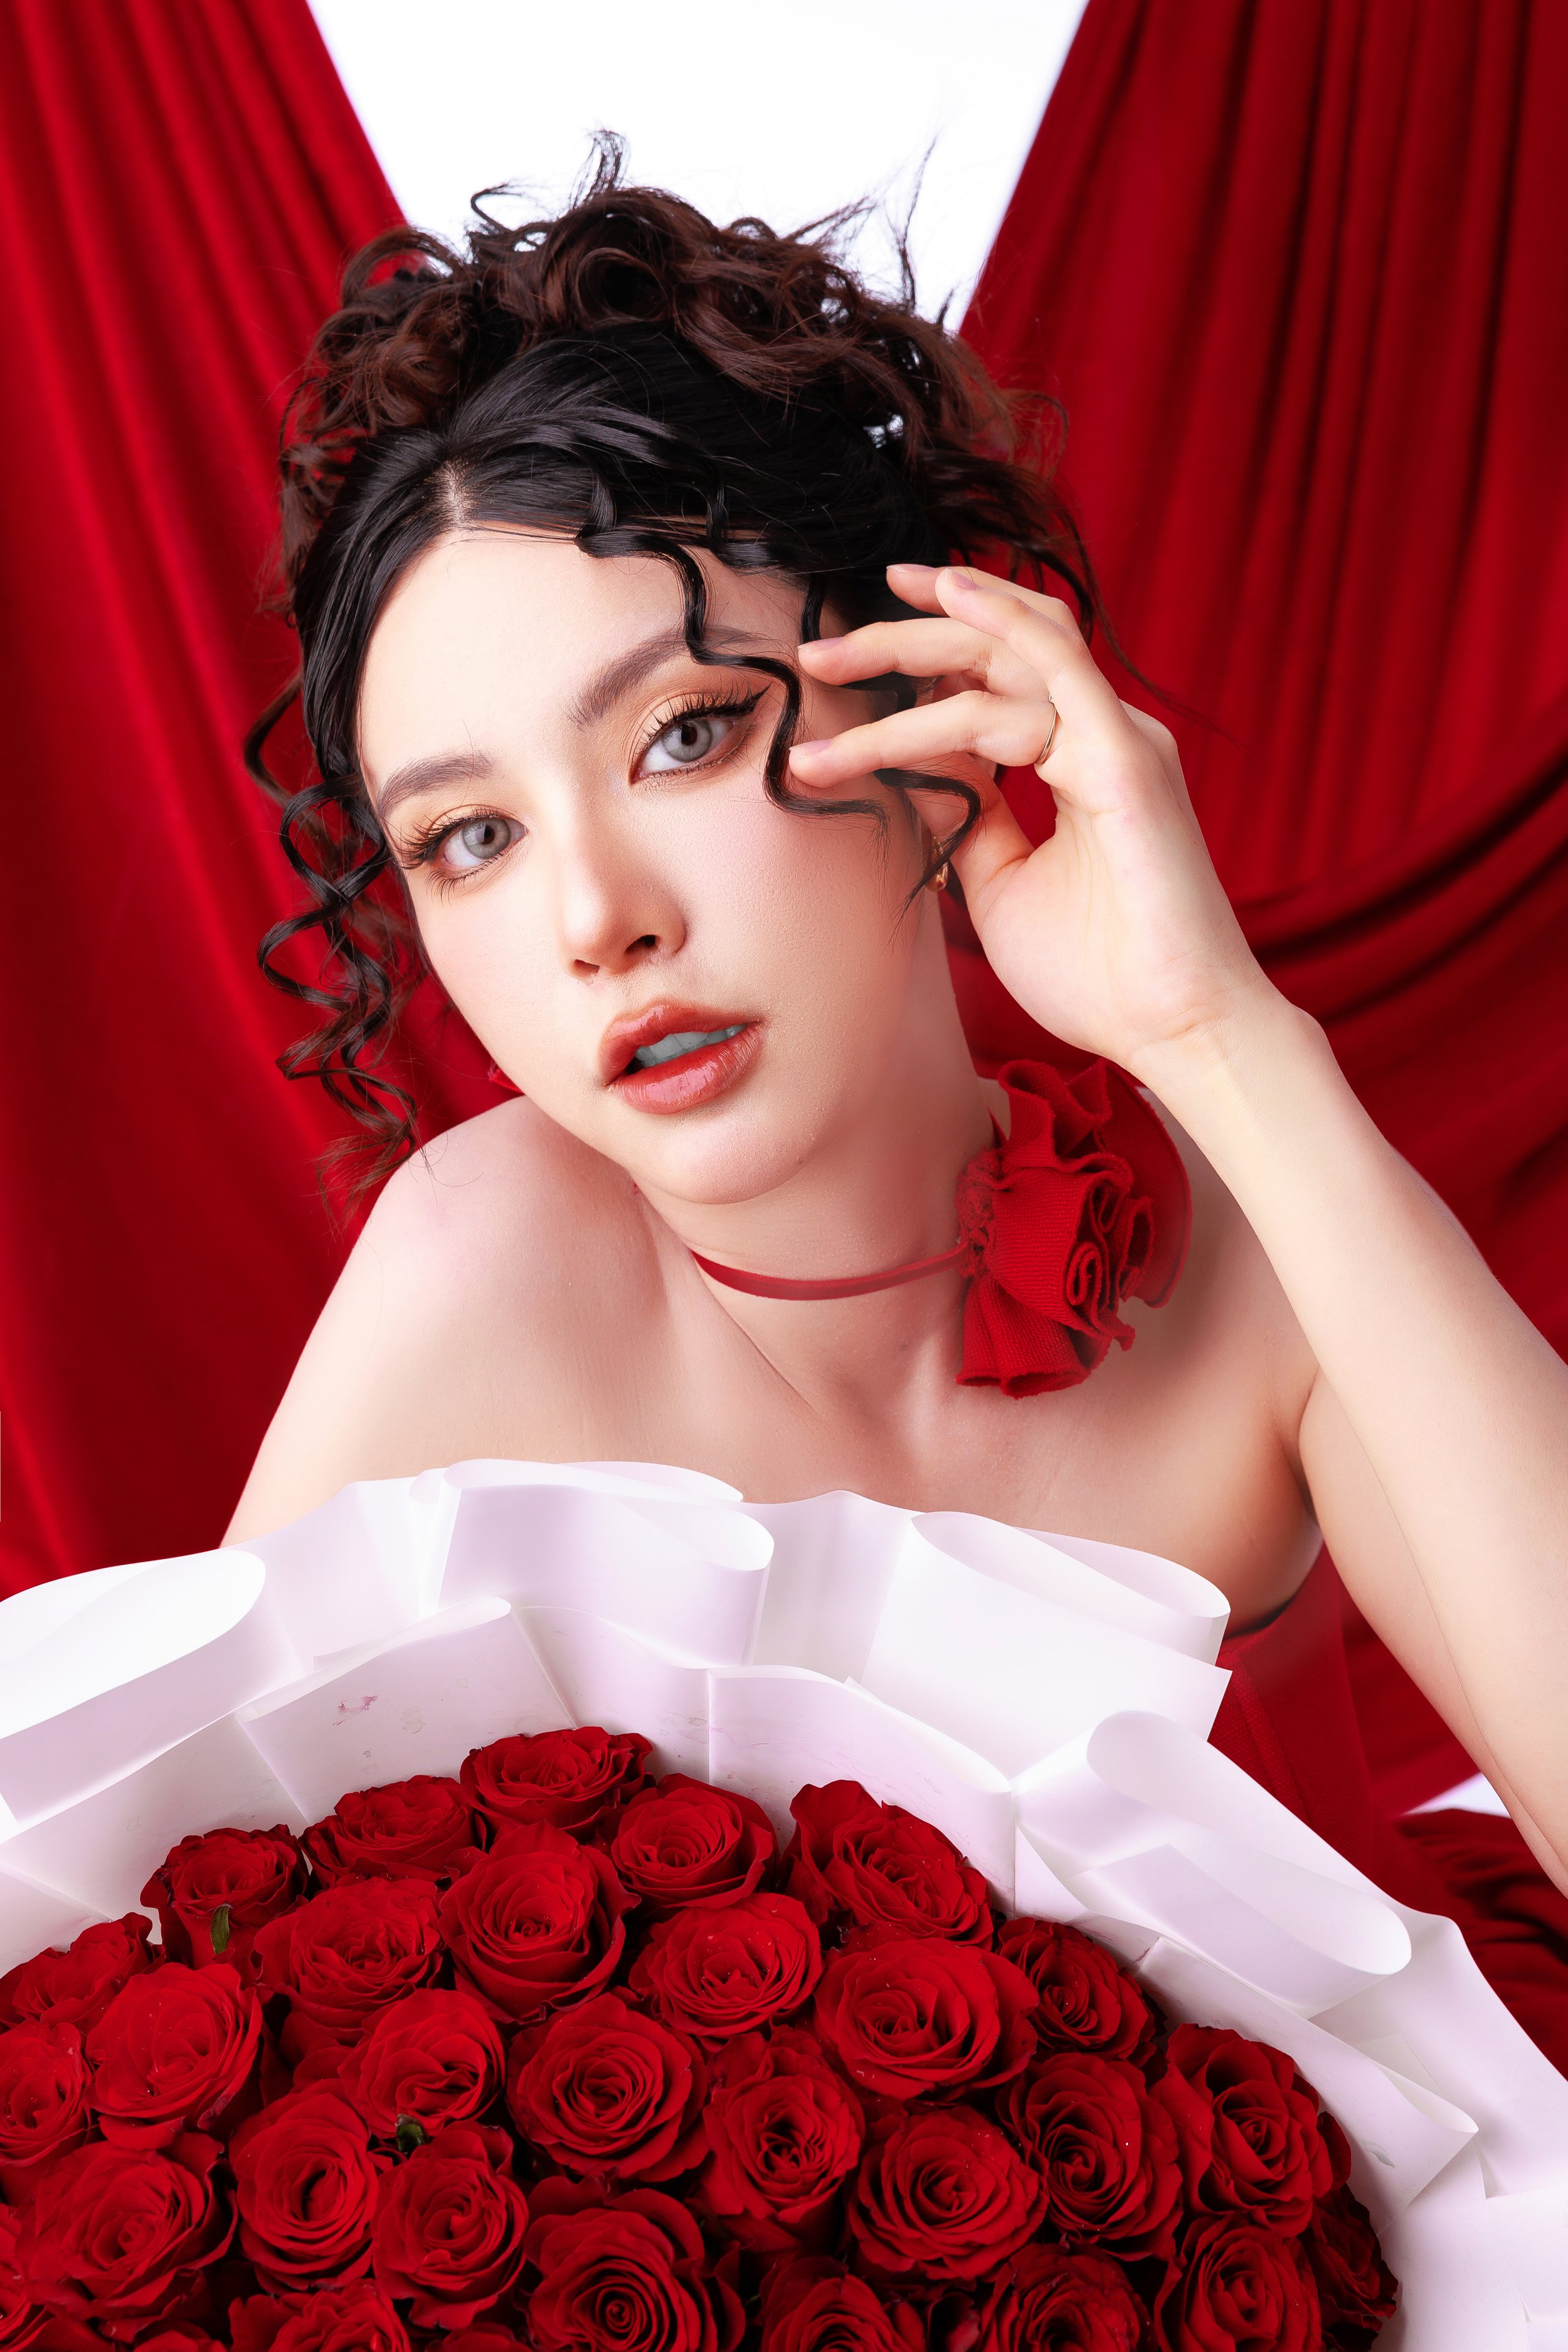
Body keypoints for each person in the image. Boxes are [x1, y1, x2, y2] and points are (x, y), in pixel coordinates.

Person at [224, 162, 1568, 2061]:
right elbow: (170, 1995)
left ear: (932, 727)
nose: (595, 918)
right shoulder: (479, 1272)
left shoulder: (1246, 1226)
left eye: (683, 733)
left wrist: (1214, 1035)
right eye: (470, 839)